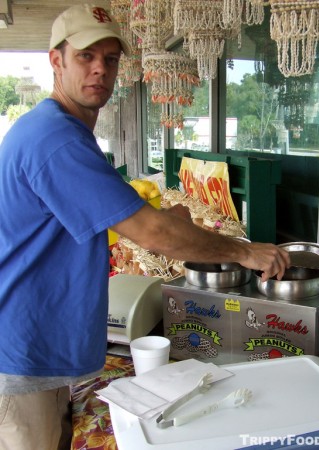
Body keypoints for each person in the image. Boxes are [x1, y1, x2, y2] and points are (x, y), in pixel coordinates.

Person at [0, 4, 291, 449]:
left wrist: (156, 220)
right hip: (22, 346)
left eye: (111, 59)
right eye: (85, 56)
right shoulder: (53, 138)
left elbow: (81, 222)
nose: (100, 69)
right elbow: (151, 233)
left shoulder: (63, 132)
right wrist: (244, 251)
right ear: (55, 61)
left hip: (38, 341)